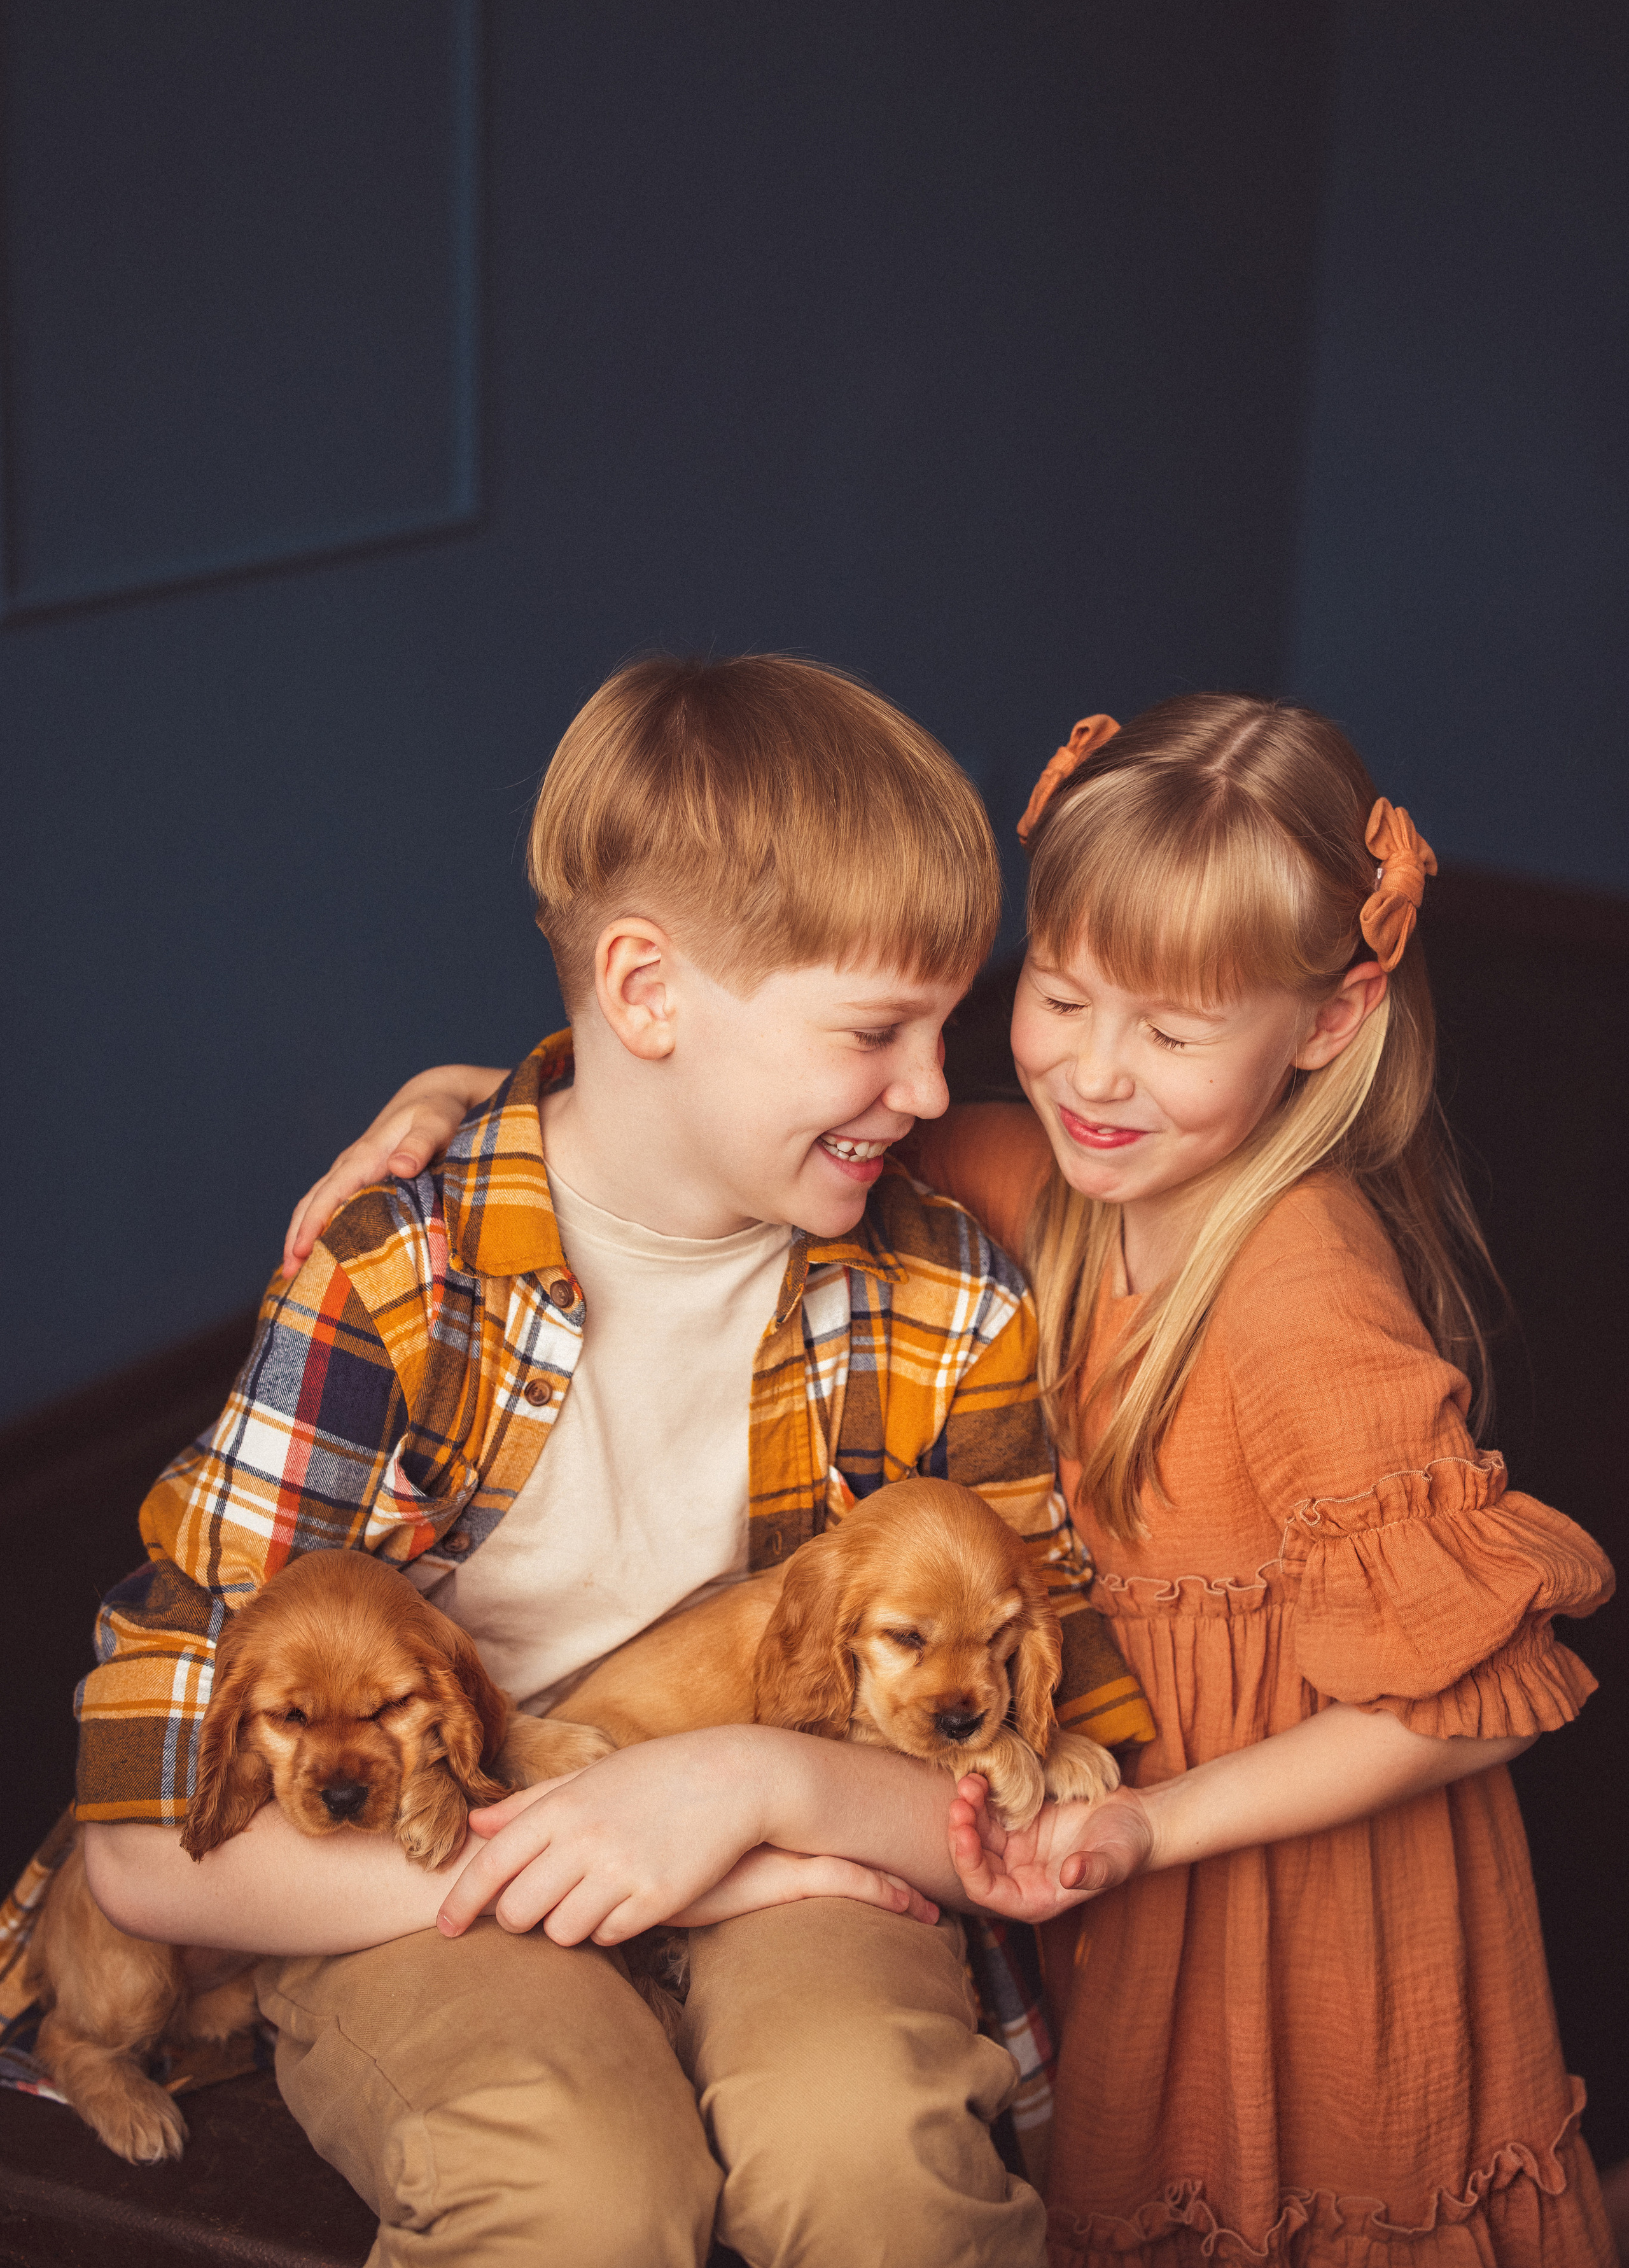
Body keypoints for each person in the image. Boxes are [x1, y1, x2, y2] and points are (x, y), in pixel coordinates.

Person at [319, 694, 1614, 2266]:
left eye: (1175, 1031)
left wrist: (1161, 1826)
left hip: (1273, 1873)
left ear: (1328, 1022)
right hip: (1079, 1833)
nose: (1096, 1073)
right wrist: (471, 1099)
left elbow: (1464, 1702)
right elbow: (739, 1112)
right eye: (1060, 996)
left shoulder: (1300, 1290)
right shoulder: (1037, 1174)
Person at [1, 655, 1153, 2268]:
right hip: (417, 1877)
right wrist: (645, 1871)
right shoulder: (395, 1278)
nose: (926, 1088)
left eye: (946, 1025)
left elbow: (1057, 1771)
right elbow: (140, 1835)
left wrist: (750, 1795)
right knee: (575, 2185)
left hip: (810, 1831)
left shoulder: (946, 1294)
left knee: (867, 2150)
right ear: (645, 989)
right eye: (877, 1028)